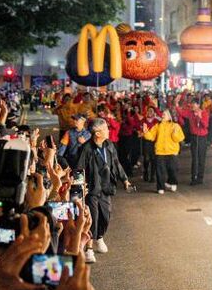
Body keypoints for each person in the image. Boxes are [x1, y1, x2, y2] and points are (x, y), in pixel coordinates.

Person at [76, 117, 131, 263]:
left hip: (106, 187)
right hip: (92, 189)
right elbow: (79, 169)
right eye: (106, 128)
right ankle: (89, 249)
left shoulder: (109, 145)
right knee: (92, 217)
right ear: (98, 133)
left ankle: (99, 237)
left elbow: (116, 163)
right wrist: (80, 188)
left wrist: (124, 179)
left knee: (105, 216)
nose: (108, 130)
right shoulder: (86, 148)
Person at [143, 110, 186, 195]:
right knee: (160, 171)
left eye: (165, 114)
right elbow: (151, 137)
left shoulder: (175, 125)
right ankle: (160, 187)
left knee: (173, 169)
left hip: (172, 151)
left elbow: (179, 138)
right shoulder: (157, 126)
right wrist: (146, 132)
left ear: (169, 116)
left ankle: (172, 182)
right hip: (160, 152)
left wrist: (175, 133)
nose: (162, 115)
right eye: (162, 114)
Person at [176, 95, 210, 185]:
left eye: (194, 104)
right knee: (194, 158)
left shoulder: (204, 113)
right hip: (194, 137)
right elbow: (181, 112)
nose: (192, 106)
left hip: (202, 138)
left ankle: (200, 177)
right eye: (192, 104)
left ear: (198, 105)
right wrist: (176, 103)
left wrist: (199, 117)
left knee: (201, 158)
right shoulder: (190, 113)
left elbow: (205, 125)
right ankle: (193, 177)